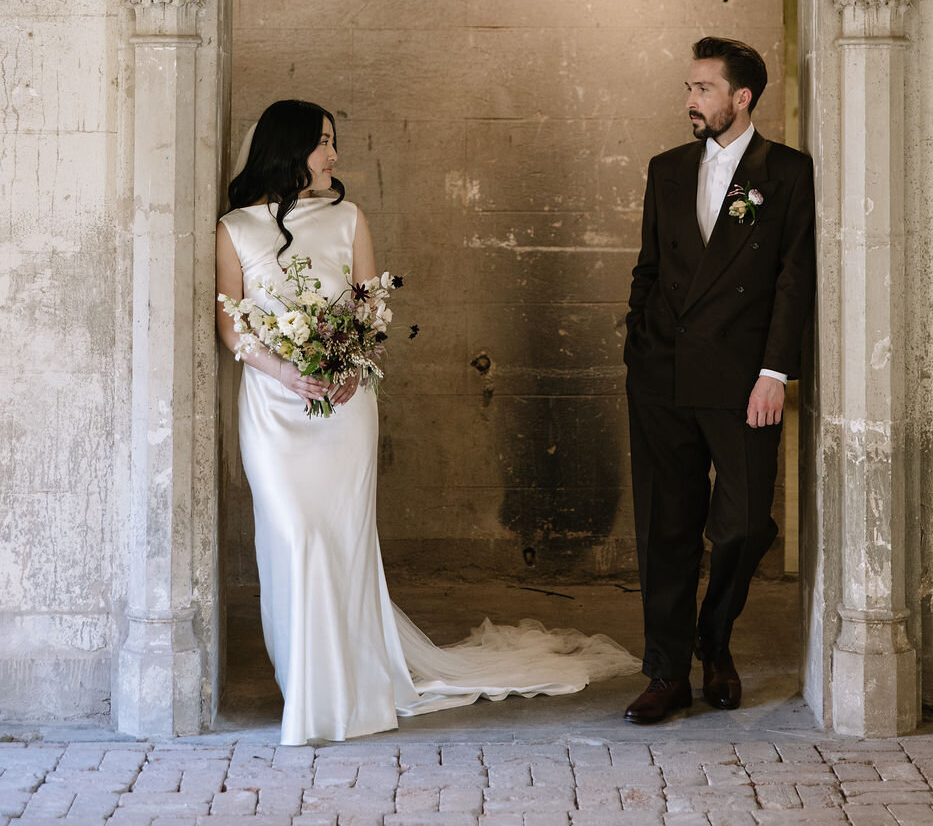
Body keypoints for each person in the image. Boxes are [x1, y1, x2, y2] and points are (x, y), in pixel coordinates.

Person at [217, 97, 638, 745]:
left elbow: (368, 304)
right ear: (289, 147)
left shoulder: (349, 218)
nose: (334, 155)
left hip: (344, 407)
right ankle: (307, 689)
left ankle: (350, 689)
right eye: (324, 141)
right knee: (292, 539)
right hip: (274, 409)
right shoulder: (235, 229)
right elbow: (229, 324)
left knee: (344, 544)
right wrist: (285, 372)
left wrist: (356, 359)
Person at [621, 37, 815, 724]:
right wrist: (636, 346)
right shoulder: (666, 169)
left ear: (742, 98)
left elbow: (794, 279)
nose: (690, 101)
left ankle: (714, 637)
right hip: (662, 378)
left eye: (703, 89)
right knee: (666, 529)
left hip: (742, 381)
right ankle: (668, 673)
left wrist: (774, 374)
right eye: (689, 88)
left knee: (739, 525)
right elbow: (650, 268)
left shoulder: (786, 171)